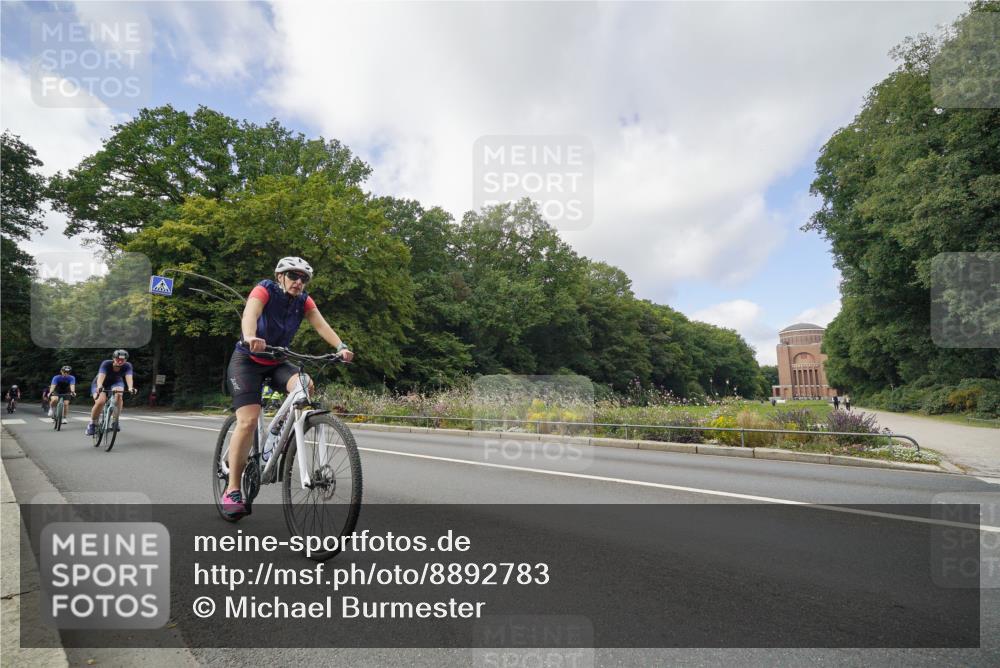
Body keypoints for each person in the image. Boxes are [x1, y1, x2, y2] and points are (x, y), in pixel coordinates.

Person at [221, 257, 353, 520]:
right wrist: (249, 337)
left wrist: (340, 347)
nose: (299, 282)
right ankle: (233, 489)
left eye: (304, 278)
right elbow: (250, 312)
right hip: (247, 360)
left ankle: (278, 431)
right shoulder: (265, 289)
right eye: (293, 275)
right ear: (280, 276)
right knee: (247, 421)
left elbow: (321, 324)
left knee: (305, 386)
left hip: (277, 360)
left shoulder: (304, 301)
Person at [87, 350, 137, 436]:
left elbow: (129, 377)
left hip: (116, 382)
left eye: (123, 360)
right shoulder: (106, 363)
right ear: (113, 358)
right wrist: (99, 386)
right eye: (118, 359)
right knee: (100, 402)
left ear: (126, 360)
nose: (120, 361)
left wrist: (130, 388)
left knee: (119, 395)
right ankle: (92, 424)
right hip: (101, 382)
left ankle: (115, 421)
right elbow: (101, 376)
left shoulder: (128, 366)